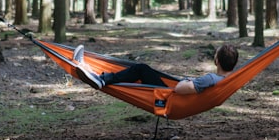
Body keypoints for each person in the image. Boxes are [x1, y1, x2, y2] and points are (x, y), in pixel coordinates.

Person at [73, 43, 239, 94]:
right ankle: (99, 77)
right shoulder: (228, 80)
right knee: (139, 70)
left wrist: (188, 80)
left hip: (169, 98)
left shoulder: (211, 79)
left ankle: (100, 79)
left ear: (216, 60)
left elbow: (180, 89)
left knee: (141, 69)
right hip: (174, 96)